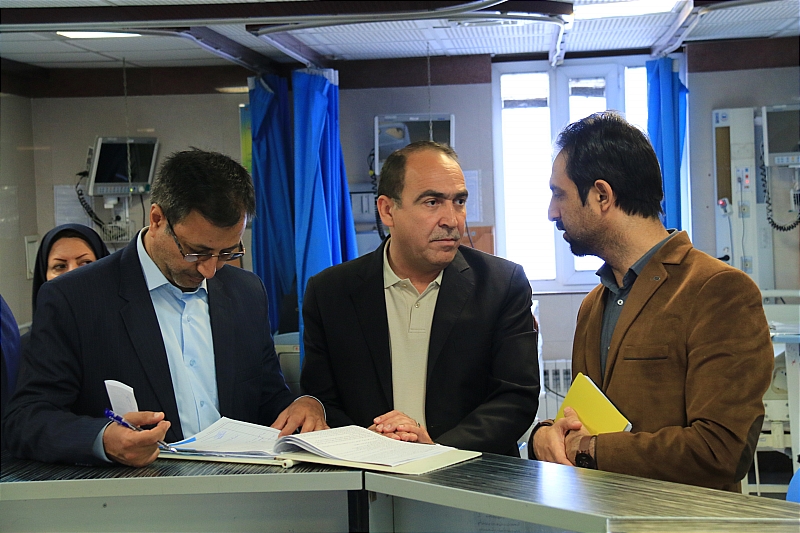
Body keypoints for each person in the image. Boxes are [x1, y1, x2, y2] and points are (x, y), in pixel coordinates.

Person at [4, 149, 326, 467]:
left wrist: (304, 405)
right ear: (157, 219)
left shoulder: (246, 292)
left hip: (241, 484)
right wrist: (102, 439)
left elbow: (268, 397)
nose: (210, 270)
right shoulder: (74, 298)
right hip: (139, 491)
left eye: (228, 252)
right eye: (196, 252)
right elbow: (26, 418)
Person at [530, 112, 773, 492]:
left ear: (601, 195)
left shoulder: (718, 291)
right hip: (600, 513)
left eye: (559, 194)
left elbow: (722, 451)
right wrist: (545, 434)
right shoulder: (594, 305)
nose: (552, 212)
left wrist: (590, 450)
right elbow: (582, 418)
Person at [301, 141, 539, 456]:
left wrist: (436, 451)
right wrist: (371, 444)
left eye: (459, 201)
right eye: (432, 202)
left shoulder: (502, 284)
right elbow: (321, 401)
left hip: (469, 472)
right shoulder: (330, 292)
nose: (452, 220)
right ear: (388, 210)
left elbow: (516, 398)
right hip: (368, 472)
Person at [19, 224, 111, 355]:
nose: (72, 275)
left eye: (86, 263)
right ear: (44, 276)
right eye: (60, 266)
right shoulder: (26, 351)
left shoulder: (129, 339)